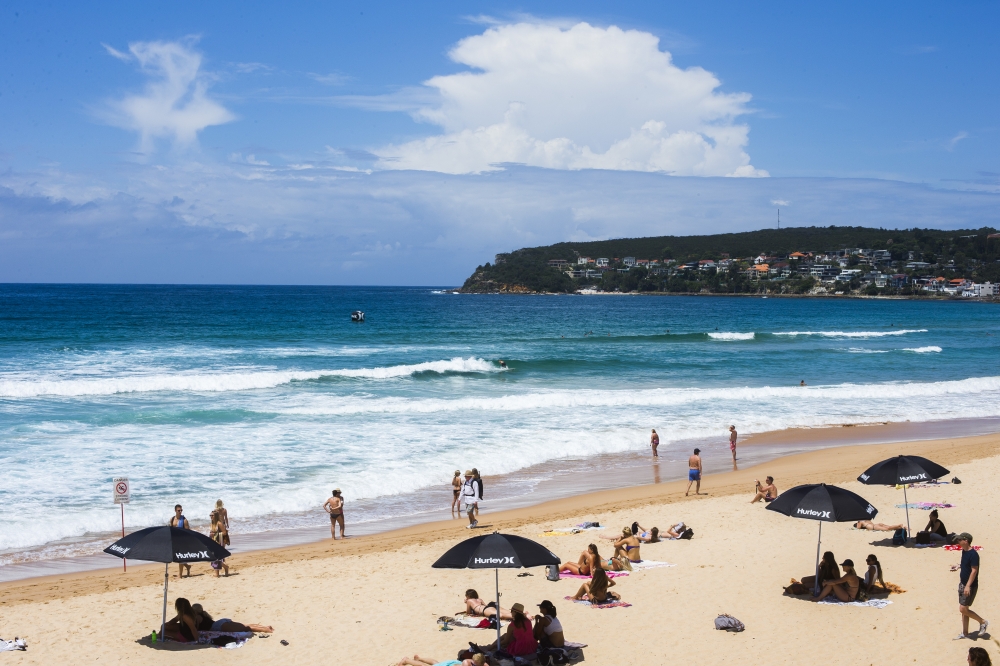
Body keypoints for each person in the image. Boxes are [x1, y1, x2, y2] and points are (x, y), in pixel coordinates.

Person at [955, 533, 988, 640]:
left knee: (963, 609)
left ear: (966, 541)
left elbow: (974, 571)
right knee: (964, 609)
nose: (958, 541)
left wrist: (968, 586)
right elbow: (966, 564)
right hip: (962, 583)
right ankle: (965, 633)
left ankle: (983, 622)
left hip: (970, 585)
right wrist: (958, 566)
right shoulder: (964, 551)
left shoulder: (974, 554)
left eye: (960, 540)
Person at [191, 604, 274, 633]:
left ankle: (265, 629)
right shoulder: (204, 614)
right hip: (220, 622)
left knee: (245, 628)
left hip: (218, 626)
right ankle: (264, 626)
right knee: (243, 625)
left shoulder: (197, 617)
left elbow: (196, 629)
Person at [168, 505, 192, 578]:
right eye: (179, 510)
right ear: (175, 511)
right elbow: (170, 529)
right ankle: (187, 566)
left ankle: (180, 575)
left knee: (180, 557)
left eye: (181, 510)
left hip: (182, 541)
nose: (180, 512)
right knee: (175, 557)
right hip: (175, 540)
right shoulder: (172, 519)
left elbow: (188, 532)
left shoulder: (184, 520)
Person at [209, 510, 229, 577]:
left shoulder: (219, 523)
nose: (211, 516)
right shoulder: (212, 523)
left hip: (219, 542)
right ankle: (225, 567)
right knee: (214, 558)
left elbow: (224, 532)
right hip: (213, 541)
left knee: (217, 558)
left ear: (216, 516)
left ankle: (217, 574)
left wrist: (216, 534)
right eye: (210, 515)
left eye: (212, 515)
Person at [397, 656, 482, 666]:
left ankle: (419, 659)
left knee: (436, 663)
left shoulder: (482, 663)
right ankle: (406, 660)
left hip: (452, 663)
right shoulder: (466, 664)